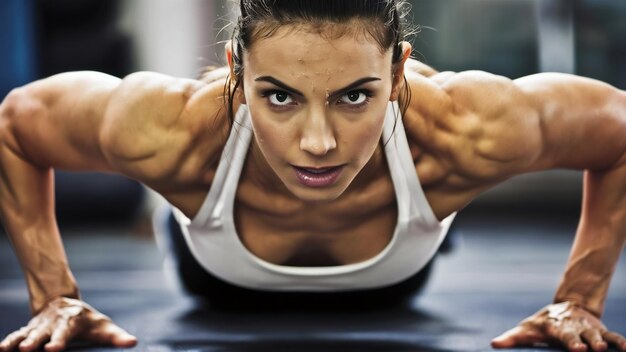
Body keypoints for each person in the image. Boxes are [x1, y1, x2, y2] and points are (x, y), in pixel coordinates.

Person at [0, 1, 625, 351]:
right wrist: (55, 295)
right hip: (214, 268)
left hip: (399, 267)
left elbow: (618, 130)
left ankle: (430, 216)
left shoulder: (471, 127)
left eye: (356, 96)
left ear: (400, 72)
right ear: (235, 70)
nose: (318, 143)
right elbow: (18, 124)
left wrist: (580, 296)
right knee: (188, 195)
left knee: (429, 186)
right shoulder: (169, 129)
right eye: (278, 97)